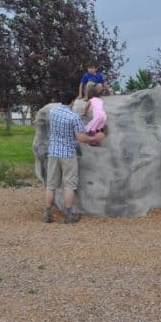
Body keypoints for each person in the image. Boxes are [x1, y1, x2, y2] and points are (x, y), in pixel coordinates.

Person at [43, 90, 105, 224]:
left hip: (53, 152)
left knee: (51, 185)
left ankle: (47, 214)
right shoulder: (73, 117)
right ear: (72, 101)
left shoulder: (53, 112)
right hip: (68, 154)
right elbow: (81, 138)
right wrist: (96, 137)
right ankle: (68, 215)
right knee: (69, 185)